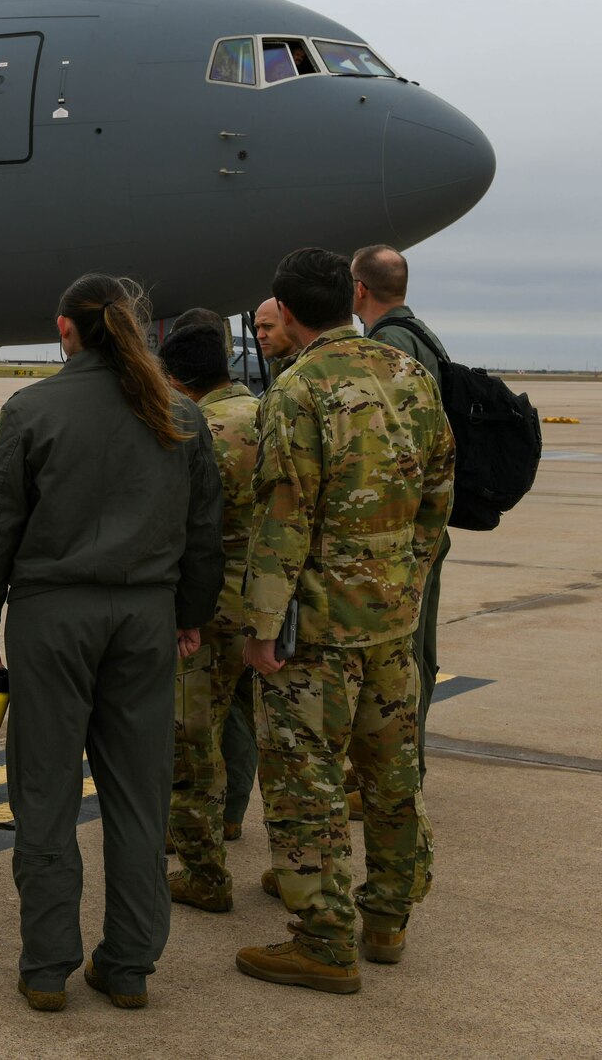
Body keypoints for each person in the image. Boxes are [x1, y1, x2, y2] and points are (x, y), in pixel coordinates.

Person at [0, 273, 223, 1013]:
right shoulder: (181, 415)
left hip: (52, 617)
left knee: (44, 794)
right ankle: (129, 963)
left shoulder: (31, 408)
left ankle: (47, 966)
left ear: (65, 328)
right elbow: (204, 533)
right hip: (146, 618)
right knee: (140, 797)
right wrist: (190, 613)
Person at [236, 247, 454, 993]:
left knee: (306, 779)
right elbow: (438, 491)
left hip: (321, 633)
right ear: (349, 298)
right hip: (391, 620)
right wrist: (409, 578)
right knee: (391, 775)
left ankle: (324, 938)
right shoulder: (410, 374)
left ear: (287, 312)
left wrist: (262, 625)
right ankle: (387, 918)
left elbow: (283, 516)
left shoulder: (297, 390)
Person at [158, 323, 261, 915]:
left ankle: (203, 870)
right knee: (259, 728)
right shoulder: (266, 414)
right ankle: (246, 829)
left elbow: (181, 526)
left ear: (176, 379)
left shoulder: (199, 430)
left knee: (194, 736)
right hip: (270, 600)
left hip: (213, 603)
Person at [351, 244, 451, 779]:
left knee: (402, 658)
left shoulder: (388, 346)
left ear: (359, 290)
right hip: (422, 525)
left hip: (401, 530)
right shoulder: (421, 338)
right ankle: (396, 765)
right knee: (413, 653)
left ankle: (398, 770)